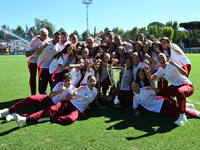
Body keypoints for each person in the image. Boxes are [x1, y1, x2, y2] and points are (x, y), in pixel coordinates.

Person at [0, 73, 76, 123]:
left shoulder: (73, 89)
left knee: (39, 113)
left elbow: (75, 95)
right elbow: (50, 95)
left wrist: (72, 95)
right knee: (31, 98)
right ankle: (8, 110)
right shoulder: (60, 84)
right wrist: (59, 91)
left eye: (69, 81)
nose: (68, 83)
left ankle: (14, 116)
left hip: (54, 106)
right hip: (48, 99)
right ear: (63, 81)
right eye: (66, 81)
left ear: (72, 81)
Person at [144, 53, 194, 125]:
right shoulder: (161, 70)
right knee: (161, 93)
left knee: (180, 92)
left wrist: (174, 64)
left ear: (166, 58)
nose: (161, 60)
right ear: (157, 61)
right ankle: (183, 106)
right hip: (175, 86)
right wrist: (146, 70)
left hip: (186, 85)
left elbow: (185, 73)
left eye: (162, 58)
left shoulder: (172, 65)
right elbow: (151, 78)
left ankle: (182, 116)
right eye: (159, 59)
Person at [131, 82, 200, 123]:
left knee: (178, 110)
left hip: (162, 101)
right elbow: (134, 107)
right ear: (132, 89)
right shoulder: (135, 97)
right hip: (158, 110)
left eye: (136, 86)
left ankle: (196, 114)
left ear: (138, 86)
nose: (135, 87)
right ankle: (188, 106)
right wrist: (136, 111)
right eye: (133, 87)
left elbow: (158, 91)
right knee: (176, 115)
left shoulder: (145, 89)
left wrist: (152, 88)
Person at [25, 28, 49, 95]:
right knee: (33, 77)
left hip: (41, 62)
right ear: (40, 34)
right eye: (43, 35)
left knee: (42, 78)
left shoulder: (48, 40)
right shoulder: (34, 41)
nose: (44, 37)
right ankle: (33, 94)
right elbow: (26, 54)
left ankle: (42, 92)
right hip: (32, 61)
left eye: (46, 35)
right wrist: (36, 49)